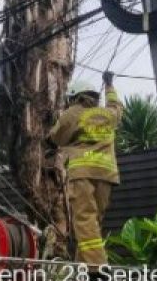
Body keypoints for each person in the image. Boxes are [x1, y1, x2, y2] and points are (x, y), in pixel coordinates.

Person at [48, 71, 124, 266]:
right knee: (93, 221)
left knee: (84, 219)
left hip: (82, 173)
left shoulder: (72, 113)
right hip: (106, 174)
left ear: (75, 96)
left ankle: (97, 267)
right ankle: (86, 268)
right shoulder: (108, 115)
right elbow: (117, 106)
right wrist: (109, 85)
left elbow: (56, 137)